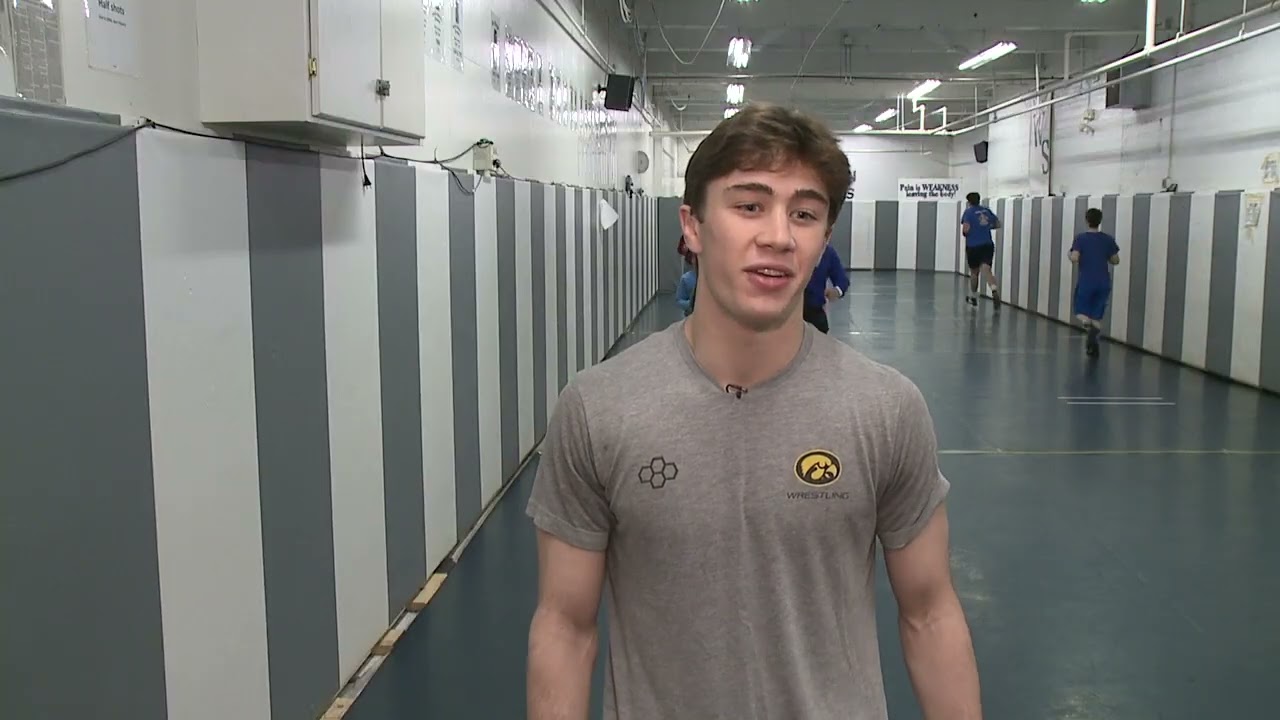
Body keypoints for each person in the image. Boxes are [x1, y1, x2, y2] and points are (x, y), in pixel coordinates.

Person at [525, 103, 981, 720]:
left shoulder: (885, 408)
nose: (778, 236)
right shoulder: (599, 407)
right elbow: (565, 626)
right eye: (749, 205)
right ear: (692, 225)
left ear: (823, 240)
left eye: (805, 214)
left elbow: (930, 614)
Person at [1069, 207, 1121, 357]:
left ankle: (1088, 326)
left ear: (1087, 220)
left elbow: (1075, 258)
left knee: (1081, 312)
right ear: (1100, 221)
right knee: (1097, 316)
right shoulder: (1108, 239)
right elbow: (1115, 260)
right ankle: (1093, 341)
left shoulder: (1081, 239)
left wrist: (1069, 254)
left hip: (1087, 281)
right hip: (1103, 282)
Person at [960, 192, 1002, 309]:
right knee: (987, 269)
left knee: (974, 272)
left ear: (969, 202)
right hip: (987, 244)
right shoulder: (986, 210)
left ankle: (973, 296)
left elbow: (966, 229)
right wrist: (985, 228)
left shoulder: (968, 212)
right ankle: (994, 289)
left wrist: (967, 233)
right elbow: (998, 224)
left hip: (973, 246)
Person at [802, 242, 850, 333]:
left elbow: (842, 279)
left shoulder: (827, 252)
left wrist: (837, 290)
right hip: (788, 314)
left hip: (814, 312)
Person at [675, 247, 697, 316]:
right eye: (695, 258)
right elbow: (679, 300)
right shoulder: (686, 278)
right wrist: (691, 304)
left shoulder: (714, 279)